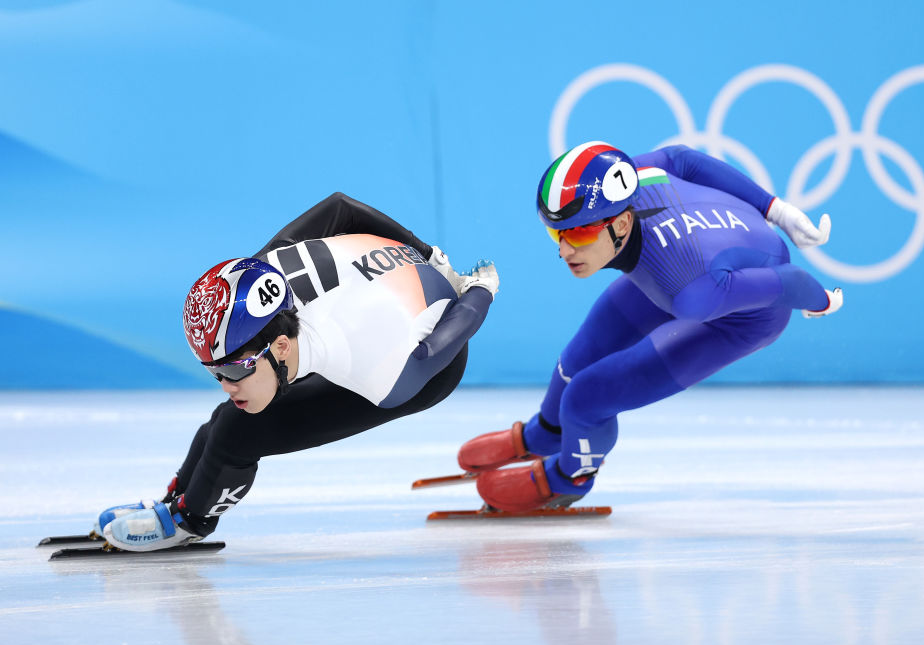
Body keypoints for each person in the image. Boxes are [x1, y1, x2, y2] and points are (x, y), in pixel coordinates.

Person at [96, 192, 499, 550]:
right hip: (363, 311)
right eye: (213, 372)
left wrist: (480, 290)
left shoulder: (383, 368)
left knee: (240, 431)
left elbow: (434, 350)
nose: (223, 384)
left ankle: (189, 521)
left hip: (424, 367)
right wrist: (425, 251)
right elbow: (340, 207)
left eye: (233, 370)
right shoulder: (260, 270)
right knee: (231, 411)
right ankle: (177, 499)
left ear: (282, 345)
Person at [458, 141, 842, 512]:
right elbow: (682, 159)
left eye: (578, 233)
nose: (564, 250)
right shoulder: (632, 178)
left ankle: (570, 478)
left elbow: (788, 281)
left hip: (739, 310)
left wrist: (823, 301)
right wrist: (776, 209)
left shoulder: (695, 295)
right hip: (678, 265)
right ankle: (545, 433)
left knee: (587, 397)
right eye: (555, 233)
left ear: (623, 223)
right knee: (578, 358)